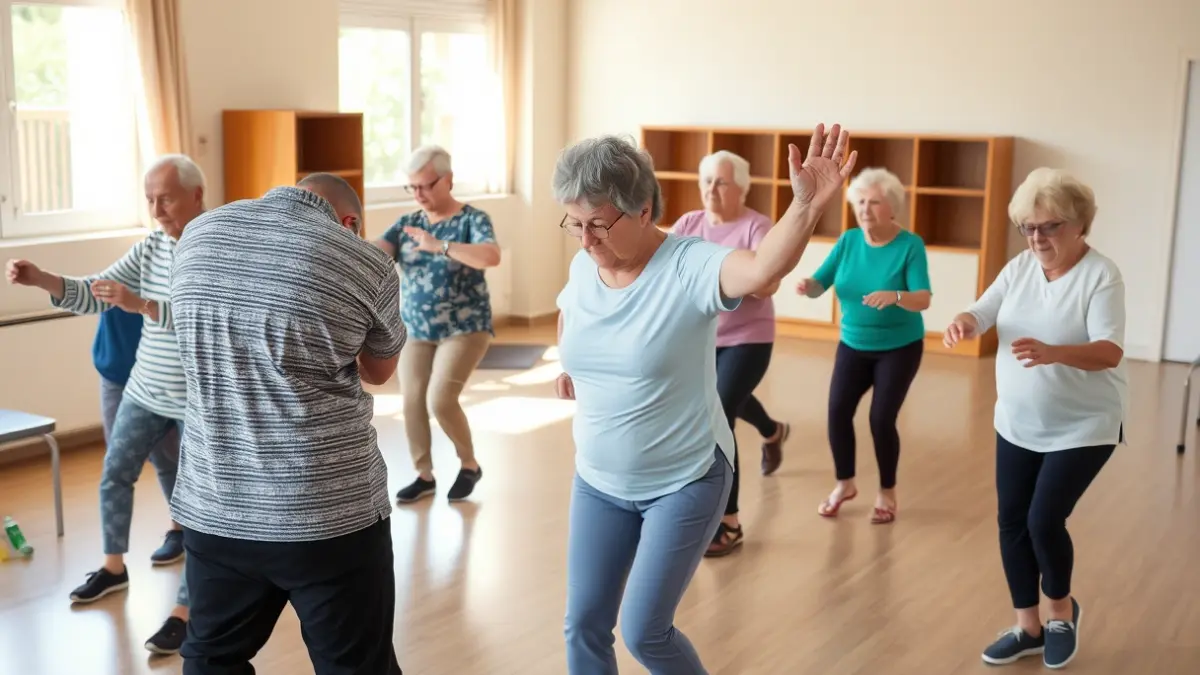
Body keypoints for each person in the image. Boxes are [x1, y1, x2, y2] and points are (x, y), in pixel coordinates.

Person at [553, 125, 856, 673]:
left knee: (646, 633)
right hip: (598, 480)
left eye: (598, 223)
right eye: (575, 223)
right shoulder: (583, 265)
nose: (585, 239)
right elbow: (570, 311)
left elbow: (762, 271)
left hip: (683, 480)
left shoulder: (689, 264)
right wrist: (571, 365)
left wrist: (805, 206)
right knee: (584, 626)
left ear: (643, 209)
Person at [168, 172, 406, 675]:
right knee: (356, 667)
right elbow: (380, 371)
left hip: (217, 507)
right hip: (326, 515)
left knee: (211, 659)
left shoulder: (198, 233)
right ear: (350, 223)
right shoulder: (363, 260)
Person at [5, 154, 206, 654]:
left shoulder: (216, 249)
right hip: (144, 389)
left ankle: (186, 610)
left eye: (166, 198)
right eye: (149, 199)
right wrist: (43, 279)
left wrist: (141, 305)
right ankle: (113, 568)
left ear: (197, 196)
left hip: (199, 402)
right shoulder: (151, 248)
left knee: (199, 507)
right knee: (115, 471)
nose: (156, 209)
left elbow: (209, 322)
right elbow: (95, 293)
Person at [943, 168, 1127, 669]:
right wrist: (964, 321)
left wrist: (1055, 352)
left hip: (1083, 425)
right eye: (1029, 227)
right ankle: (1028, 627)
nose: (1037, 238)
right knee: (1011, 521)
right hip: (1018, 422)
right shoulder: (1019, 268)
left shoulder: (1100, 275)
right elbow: (983, 311)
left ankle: (1061, 614)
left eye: (1049, 226)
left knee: (1044, 520)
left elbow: (1109, 352)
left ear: (1078, 226)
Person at [670, 149, 791, 558]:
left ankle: (730, 520)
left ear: (742, 187)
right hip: (701, 338)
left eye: (721, 182)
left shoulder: (758, 227)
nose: (711, 189)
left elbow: (765, 282)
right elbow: (667, 270)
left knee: (719, 411)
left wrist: (728, 277)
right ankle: (773, 430)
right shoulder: (689, 224)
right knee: (726, 399)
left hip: (749, 337)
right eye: (706, 181)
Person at [793, 167, 930, 525]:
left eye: (874, 202)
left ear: (892, 208)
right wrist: (808, 285)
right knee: (838, 411)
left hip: (899, 347)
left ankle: (887, 491)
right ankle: (845, 484)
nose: (864, 209)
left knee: (880, 419)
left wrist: (897, 295)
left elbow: (923, 299)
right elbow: (822, 282)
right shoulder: (849, 241)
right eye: (860, 202)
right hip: (853, 344)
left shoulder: (909, 246)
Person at [374, 145, 501, 504]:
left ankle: (469, 464)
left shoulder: (472, 220)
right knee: (412, 399)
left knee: (441, 398)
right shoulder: (407, 224)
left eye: (426, 186)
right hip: (416, 327)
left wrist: (440, 245)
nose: (419, 195)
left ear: (447, 180)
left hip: (466, 326)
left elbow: (491, 256)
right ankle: (424, 475)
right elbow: (376, 251)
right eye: (412, 188)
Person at [93, 305, 186, 569]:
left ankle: (180, 530)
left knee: (169, 459)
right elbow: (85, 293)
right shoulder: (127, 266)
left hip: (165, 377)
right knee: (117, 466)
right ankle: (113, 566)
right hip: (118, 368)